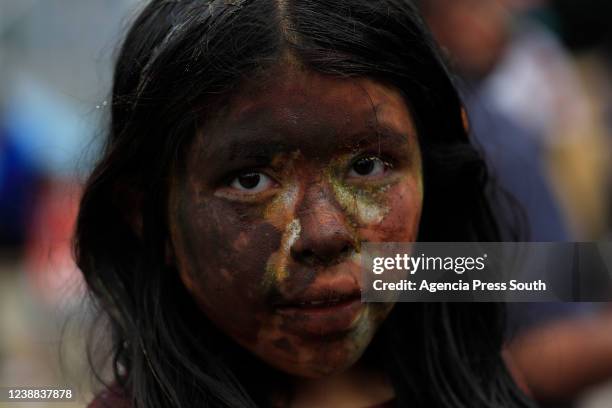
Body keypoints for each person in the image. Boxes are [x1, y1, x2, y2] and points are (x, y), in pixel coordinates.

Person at [75, 0, 534, 407]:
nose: (325, 233)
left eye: (369, 166)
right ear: (145, 215)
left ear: (431, 173)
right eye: (250, 180)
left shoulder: (483, 385)